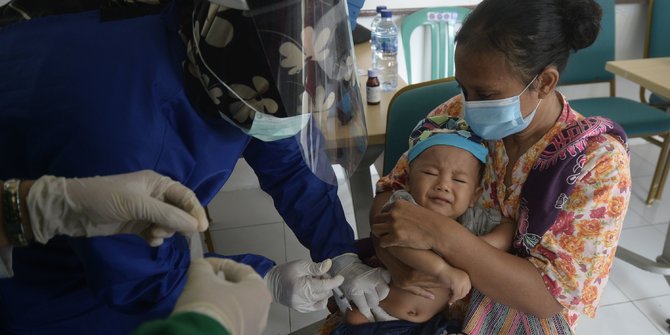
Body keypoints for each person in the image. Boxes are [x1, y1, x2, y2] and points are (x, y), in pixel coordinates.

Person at [0, 0, 389, 334]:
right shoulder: (127, 131)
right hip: (45, 290)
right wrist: (264, 279)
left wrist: (340, 251)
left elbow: (288, 157)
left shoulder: (233, 53)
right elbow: (137, 280)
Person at [370, 0, 631, 333]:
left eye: (486, 94)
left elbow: (547, 297)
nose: (470, 105)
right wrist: (402, 264)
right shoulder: (453, 117)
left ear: (545, 83)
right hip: (419, 301)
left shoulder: (595, 162)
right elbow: (389, 196)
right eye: (463, 89)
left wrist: (442, 234)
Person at [330, 116, 515, 335]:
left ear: (474, 195)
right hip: (378, 314)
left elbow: (508, 229)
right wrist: (443, 269)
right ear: (408, 181)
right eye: (430, 173)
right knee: (353, 318)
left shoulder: (472, 219)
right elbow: (395, 244)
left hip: (430, 324)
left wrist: (478, 246)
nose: (443, 185)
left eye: (459, 180)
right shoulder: (403, 207)